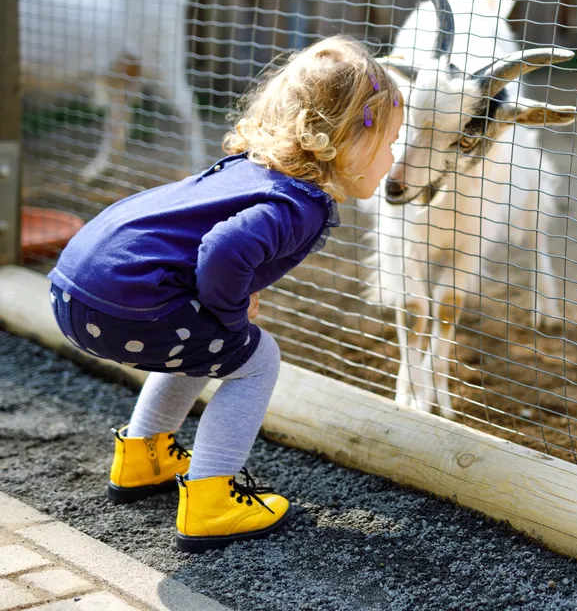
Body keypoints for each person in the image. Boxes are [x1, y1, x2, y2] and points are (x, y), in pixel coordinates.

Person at [48, 36, 404, 552]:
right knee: (256, 358)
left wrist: (223, 310)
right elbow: (225, 250)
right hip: (129, 305)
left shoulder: (249, 170)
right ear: (349, 138)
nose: (395, 156)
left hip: (76, 291)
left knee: (209, 342)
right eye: (390, 140)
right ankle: (212, 498)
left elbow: (204, 248)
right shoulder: (298, 204)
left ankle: (143, 456)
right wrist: (232, 314)